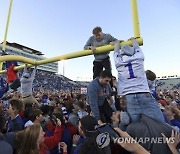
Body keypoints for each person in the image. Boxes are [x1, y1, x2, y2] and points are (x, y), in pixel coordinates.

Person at [113, 38, 165, 123]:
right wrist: (133, 40)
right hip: (143, 92)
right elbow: (137, 48)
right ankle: (168, 136)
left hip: (129, 96)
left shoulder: (119, 62)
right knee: (159, 123)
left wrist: (118, 43)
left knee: (137, 125)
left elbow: (115, 52)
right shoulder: (139, 58)